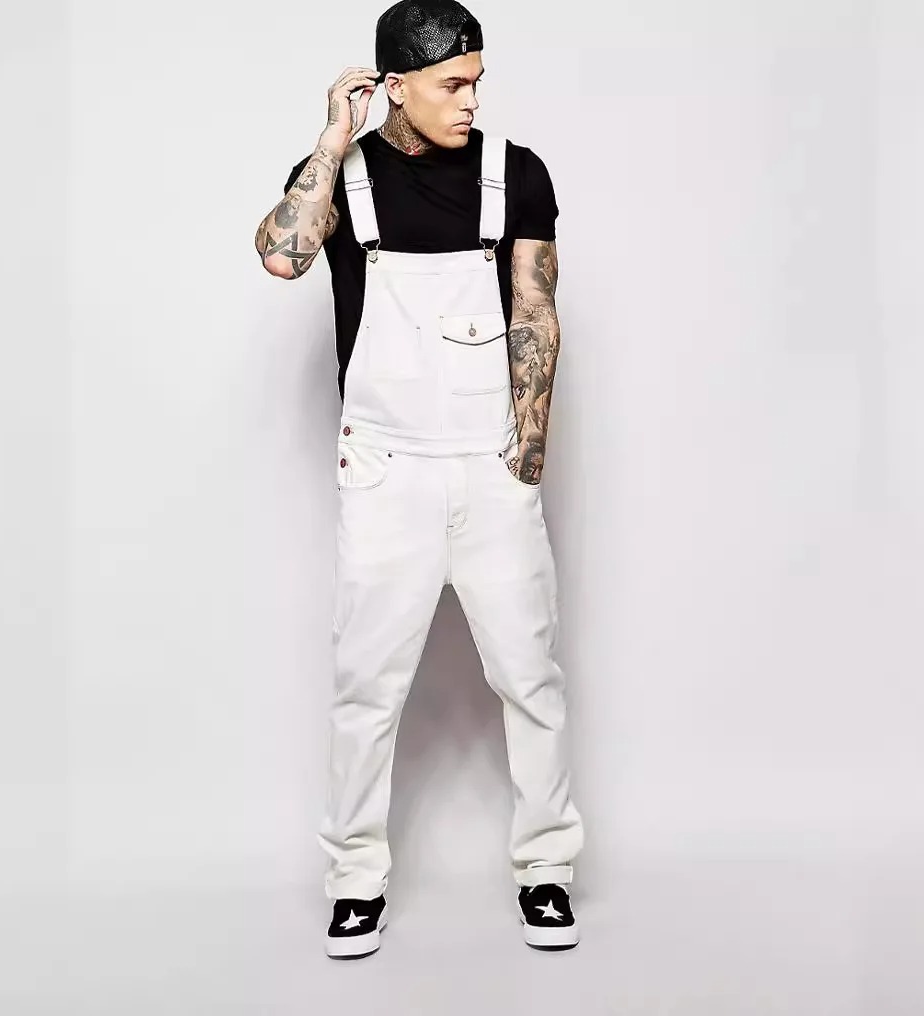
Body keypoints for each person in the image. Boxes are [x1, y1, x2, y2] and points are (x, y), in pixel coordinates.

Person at [253, 0, 584, 959]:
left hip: (490, 465)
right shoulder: (344, 177)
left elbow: (535, 310)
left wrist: (526, 457)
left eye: (477, 82)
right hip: (384, 468)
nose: (471, 101)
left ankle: (547, 868)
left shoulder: (516, 174)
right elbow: (280, 255)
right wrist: (331, 137)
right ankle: (355, 880)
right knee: (366, 686)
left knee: (530, 677)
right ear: (394, 85)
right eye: (452, 84)